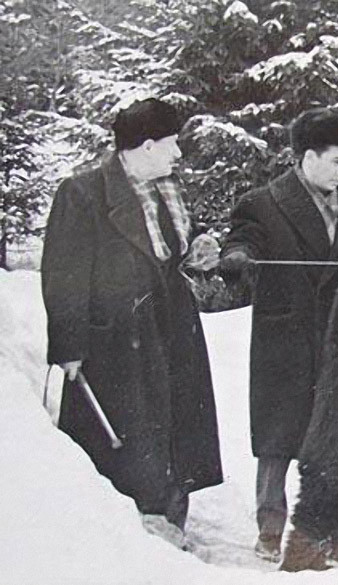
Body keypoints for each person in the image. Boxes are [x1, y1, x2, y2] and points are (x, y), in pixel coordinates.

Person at [41, 98, 223, 545]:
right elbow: (63, 274)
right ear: (145, 147)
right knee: (129, 435)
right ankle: (129, 534)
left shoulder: (167, 189)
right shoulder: (83, 193)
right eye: (172, 144)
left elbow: (175, 247)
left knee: (177, 423)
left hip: (171, 327)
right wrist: (68, 349)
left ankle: (170, 517)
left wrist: (199, 248)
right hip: (115, 341)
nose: (178, 154)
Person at [219, 107, 338, 563]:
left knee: (332, 435)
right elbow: (243, 240)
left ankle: (326, 526)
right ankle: (270, 521)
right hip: (284, 335)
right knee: (278, 434)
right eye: (336, 161)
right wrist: (238, 257)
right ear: (307, 156)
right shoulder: (263, 203)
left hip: (334, 338)